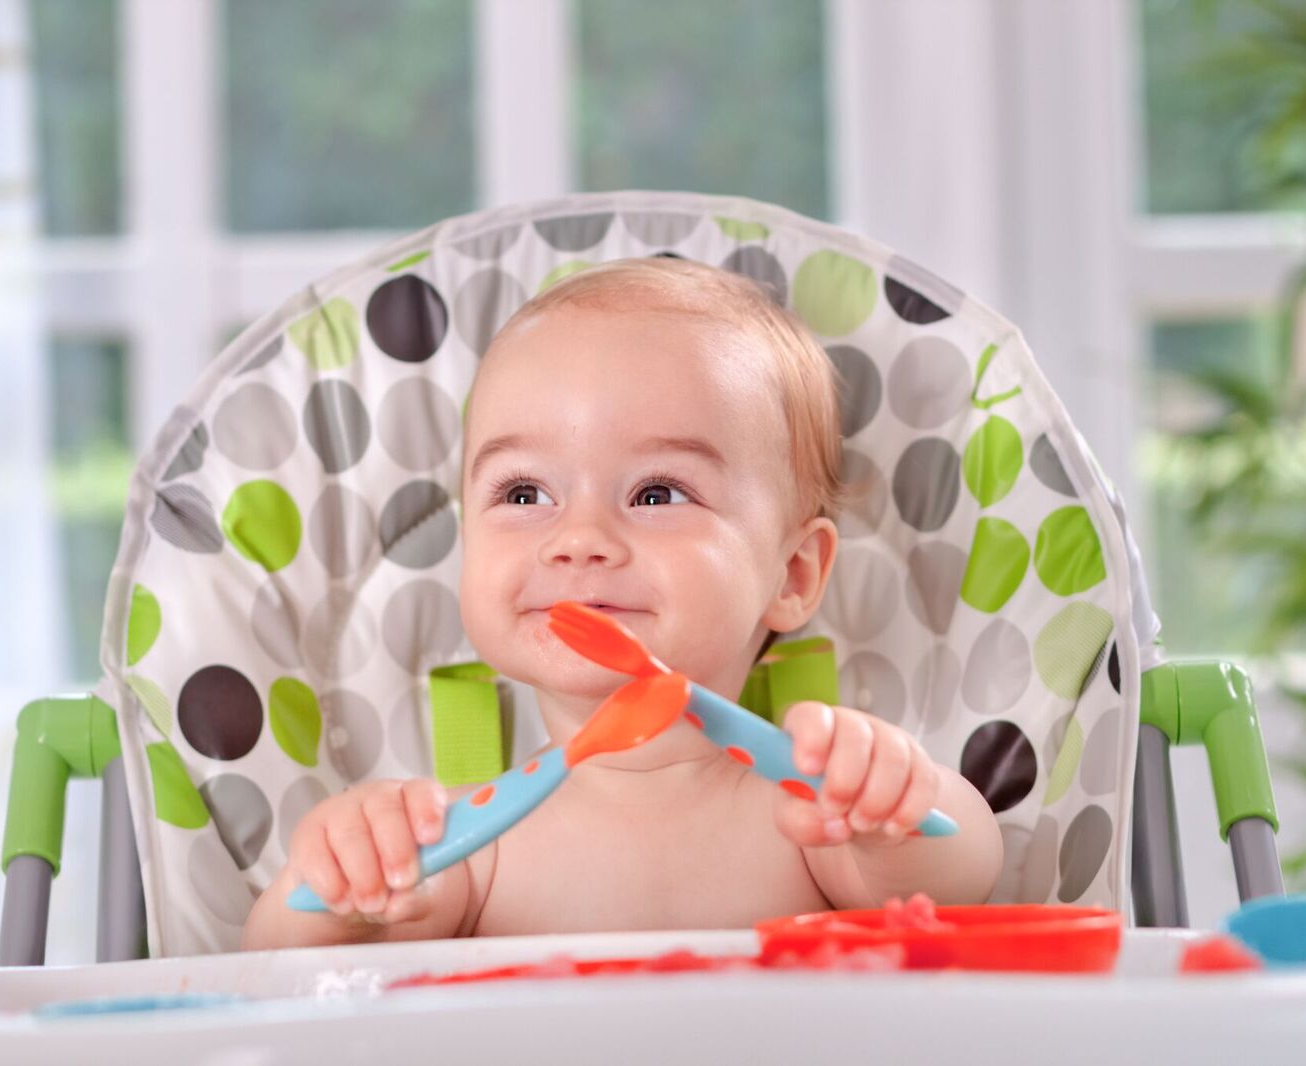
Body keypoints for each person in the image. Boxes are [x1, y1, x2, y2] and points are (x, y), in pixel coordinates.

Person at [242, 257, 1002, 950]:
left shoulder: (810, 821)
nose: (579, 539)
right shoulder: (466, 843)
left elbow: (961, 878)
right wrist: (348, 879)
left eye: (656, 492)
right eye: (524, 492)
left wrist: (892, 803)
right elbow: (279, 972)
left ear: (793, 575)